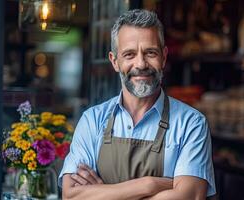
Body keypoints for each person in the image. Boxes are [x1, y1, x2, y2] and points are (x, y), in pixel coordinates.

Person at [59, 9, 216, 200]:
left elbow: (190, 197)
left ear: (164, 57)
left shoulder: (191, 123)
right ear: (114, 61)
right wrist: (149, 185)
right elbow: (71, 196)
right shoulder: (92, 120)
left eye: (150, 53)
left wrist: (103, 193)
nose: (141, 64)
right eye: (129, 54)